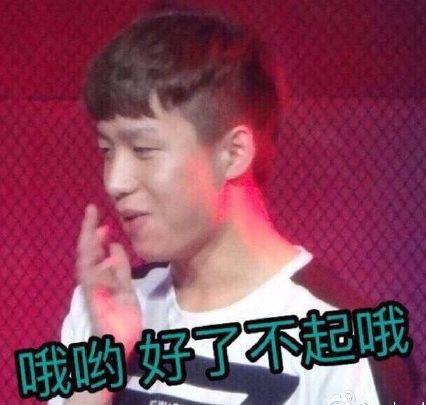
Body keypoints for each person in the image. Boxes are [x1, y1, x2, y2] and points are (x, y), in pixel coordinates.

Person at [49, 9, 384, 405]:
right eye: (107, 150)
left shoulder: (341, 339)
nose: (115, 181)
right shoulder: (101, 308)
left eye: (143, 149)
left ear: (234, 153)